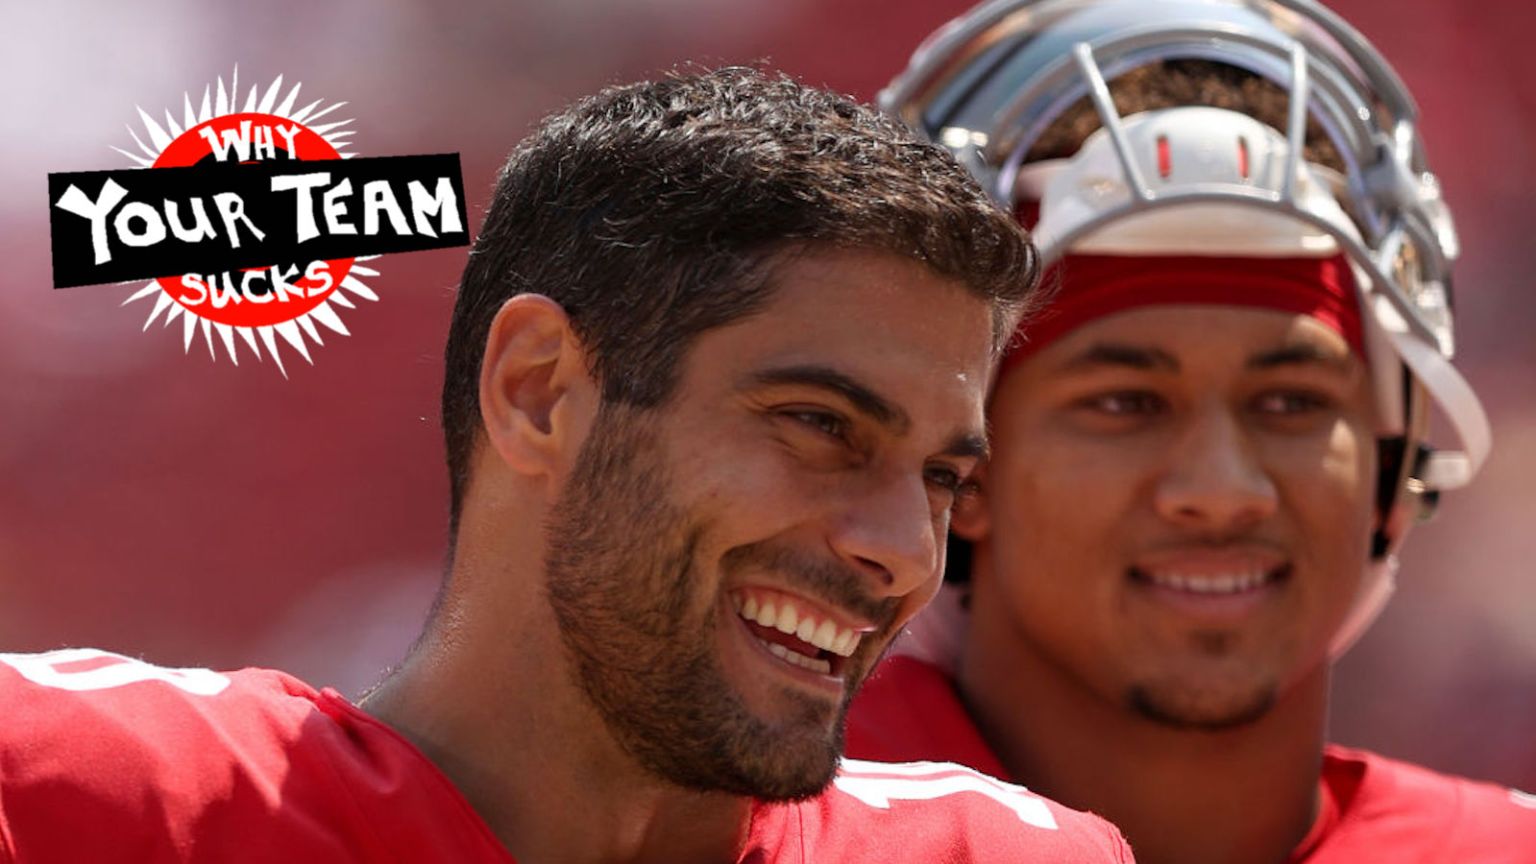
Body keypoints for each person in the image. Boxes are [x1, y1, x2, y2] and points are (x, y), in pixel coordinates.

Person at [0, 68, 1136, 863]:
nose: (898, 551)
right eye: (820, 425)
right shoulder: (70, 797)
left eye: (942, 477)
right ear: (540, 389)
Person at [845, 2, 1536, 862]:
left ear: (1393, 458)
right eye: (1124, 402)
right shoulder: (735, 824)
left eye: (1292, 402)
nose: (1223, 491)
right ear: (956, 465)